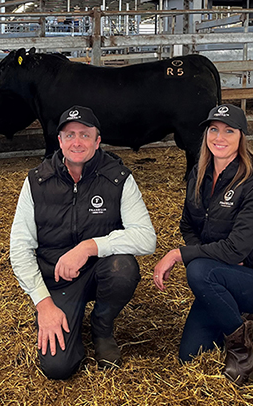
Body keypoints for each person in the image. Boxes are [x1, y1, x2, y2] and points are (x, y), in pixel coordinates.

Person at [10, 105, 156, 380]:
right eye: (69, 135)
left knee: (123, 269)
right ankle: (60, 314)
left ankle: (102, 326)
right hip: (57, 280)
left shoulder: (117, 178)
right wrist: (43, 304)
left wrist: (89, 247)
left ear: (98, 141)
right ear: (60, 141)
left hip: (99, 271)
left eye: (85, 135)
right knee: (58, 368)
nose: (77, 142)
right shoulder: (36, 181)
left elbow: (147, 238)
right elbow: (19, 249)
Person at [153, 103, 253, 386]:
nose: (219, 137)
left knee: (198, 271)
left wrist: (180, 254)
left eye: (229, 130)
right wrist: (210, 257)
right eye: (213, 129)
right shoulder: (198, 176)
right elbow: (187, 225)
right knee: (190, 355)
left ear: (242, 136)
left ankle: (241, 352)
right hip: (218, 276)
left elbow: (237, 249)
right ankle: (237, 314)